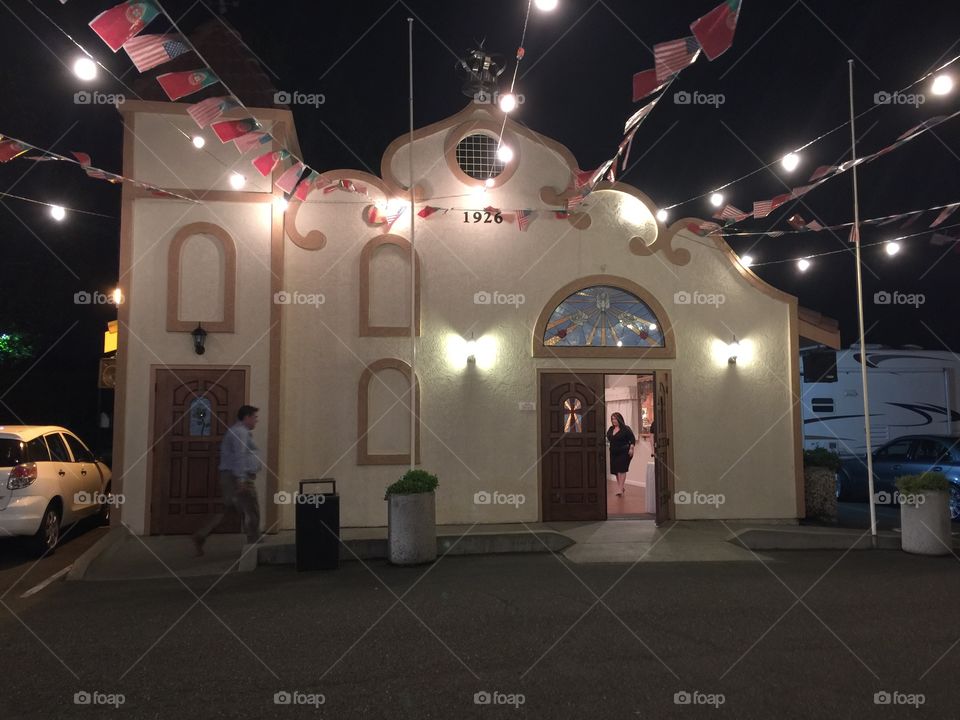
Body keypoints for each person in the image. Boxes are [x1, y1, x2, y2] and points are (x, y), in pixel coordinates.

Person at [192, 405, 263, 555]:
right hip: (236, 477)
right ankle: (254, 543)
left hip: (231, 476)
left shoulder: (237, 431)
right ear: (247, 417)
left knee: (230, 511)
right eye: (254, 417)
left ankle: (202, 534)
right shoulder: (240, 432)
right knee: (252, 509)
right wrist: (242, 478)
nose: (256, 420)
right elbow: (240, 455)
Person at [607, 412, 636, 497]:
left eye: (615, 419)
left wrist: (631, 448)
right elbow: (609, 438)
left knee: (621, 469)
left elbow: (632, 439)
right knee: (616, 470)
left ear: (619, 419)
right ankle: (621, 487)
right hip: (613, 452)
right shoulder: (611, 429)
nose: (614, 421)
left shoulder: (626, 428)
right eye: (612, 419)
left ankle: (620, 488)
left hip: (624, 451)